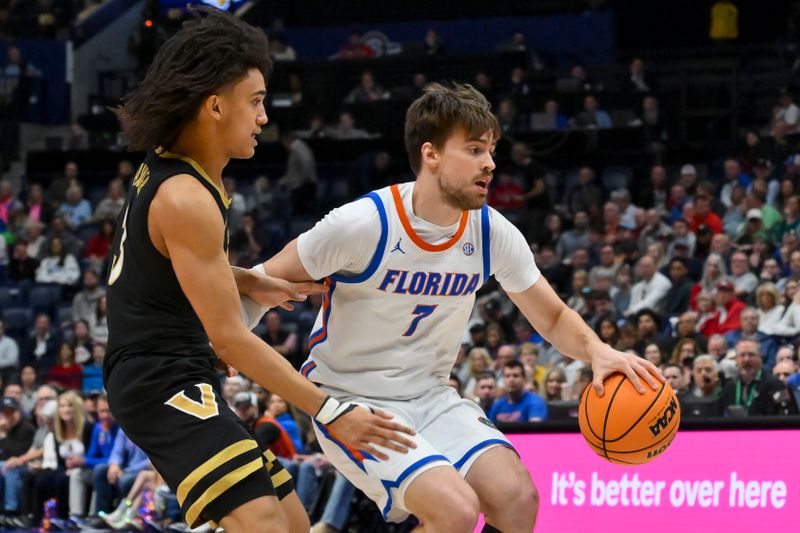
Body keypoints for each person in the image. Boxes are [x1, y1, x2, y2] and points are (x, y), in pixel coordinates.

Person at [261, 83, 662, 532]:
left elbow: (550, 316)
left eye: (490, 150)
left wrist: (597, 352)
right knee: (454, 511)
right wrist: (222, 340)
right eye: (473, 149)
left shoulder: (491, 231)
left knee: (517, 500)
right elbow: (261, 280)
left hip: (430, 396)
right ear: (431, 154)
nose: (490, 163)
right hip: (351, 398)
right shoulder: (363, 224)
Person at [105, 10, 414, 533]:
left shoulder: (176, 169)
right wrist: (333, 413)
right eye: (256, 101)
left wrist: (241, 278)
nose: (264, 117)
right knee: (265, 523)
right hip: (159, 379)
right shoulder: (187, 197)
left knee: (293, 524)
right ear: (215, 105)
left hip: (173, 367)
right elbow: (230, 341)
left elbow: (152, 261)